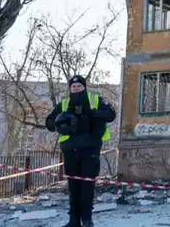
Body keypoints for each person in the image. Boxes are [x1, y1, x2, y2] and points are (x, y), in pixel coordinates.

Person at [46, 75, 117, 227]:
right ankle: (73, 221)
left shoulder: (95, 100)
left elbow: (111, 115)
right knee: (73, 186)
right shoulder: (65, 104)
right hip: (70, 149)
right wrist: (61, 122)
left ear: (84, 87)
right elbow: (49, 123)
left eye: (79, 86)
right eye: (73, 86)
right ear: (70, 88)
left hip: (90, 148)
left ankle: (87, 220)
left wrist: (93, 113)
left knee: (87, 185)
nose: (76, 88)